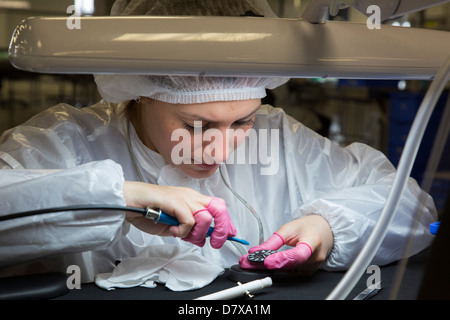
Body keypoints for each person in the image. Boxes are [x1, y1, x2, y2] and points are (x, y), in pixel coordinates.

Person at [0, 0, 437, 283]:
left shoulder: (278, 136)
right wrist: (120, 197)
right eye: (196, 127)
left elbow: (412, 207)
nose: (221, 150)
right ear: (142, 90)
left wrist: (328, 229)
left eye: (242, 122)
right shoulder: (71, 142)